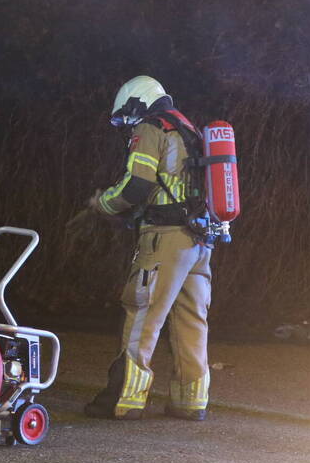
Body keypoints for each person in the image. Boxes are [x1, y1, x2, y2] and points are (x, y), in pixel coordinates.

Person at [83, 75, 213, 421]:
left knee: (142, 313)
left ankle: (121, 399)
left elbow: (137, 185)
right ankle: (190, 401)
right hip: (199, 241)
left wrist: (104, 203)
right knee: (192, 320)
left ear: (138, 103)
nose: (127, 123)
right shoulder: (188, 128)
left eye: (127, 114)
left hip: (164, 238)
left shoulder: (151, 129)